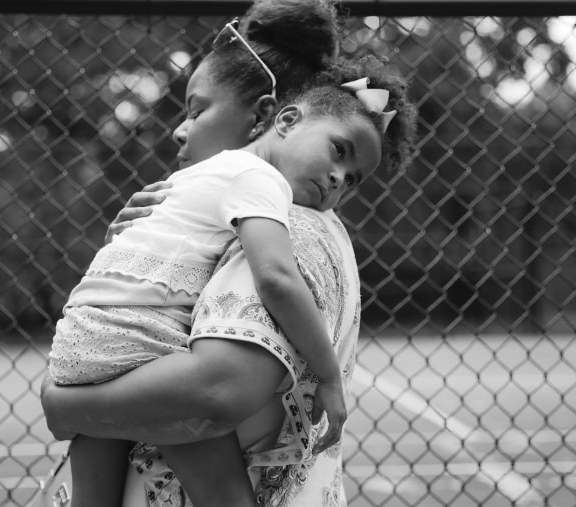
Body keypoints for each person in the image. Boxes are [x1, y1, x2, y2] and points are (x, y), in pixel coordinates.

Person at [41, 6, 417, 507]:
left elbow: (213, 396)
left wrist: (65, 405)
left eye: (197, 110)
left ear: (267, 115)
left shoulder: (288, 222)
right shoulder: (239, 210)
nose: (179, 130)